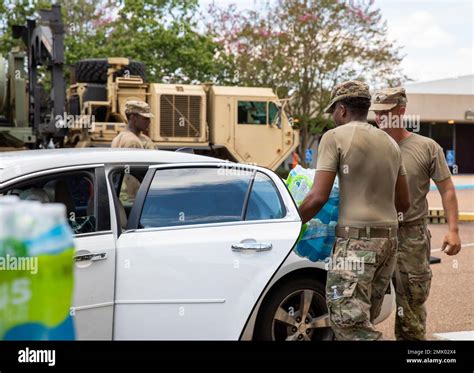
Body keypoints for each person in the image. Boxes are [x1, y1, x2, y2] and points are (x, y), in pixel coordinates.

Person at [299, 80, 410, 340]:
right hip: (389, 241)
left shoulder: (334, 137)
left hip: (356, 242)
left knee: (349, 324)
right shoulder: (390, 143)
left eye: (333, 111)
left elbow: (317, 196)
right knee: (362, 317)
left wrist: (294, 221)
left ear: (342, 109)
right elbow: (404, 202)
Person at [370, 87, 462, 340]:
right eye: (376, 112)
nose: (379, 118)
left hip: (411, 236)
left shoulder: (426, 147)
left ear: (401, 111)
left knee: (410, 305)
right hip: (373, 233)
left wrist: (453, 231)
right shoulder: (368, 144)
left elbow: (447, 190)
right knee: (361, 307)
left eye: (385, 112)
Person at [112, 100, 157, 203]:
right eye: (145, 118)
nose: (149, 122)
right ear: (133, 117)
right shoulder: (133, 142)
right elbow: (132, 179)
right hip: (131, 199)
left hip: (121, 197)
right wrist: (135, 201)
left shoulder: (119, 137)